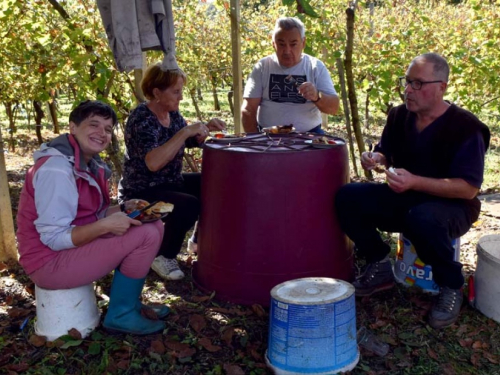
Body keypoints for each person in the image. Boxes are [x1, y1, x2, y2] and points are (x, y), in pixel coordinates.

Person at [335, 53, 490, 329]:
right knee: (347, 197)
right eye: (407, 82)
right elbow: (386, 152)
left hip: (452, 206)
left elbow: (468, 188)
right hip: (405, 196)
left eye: (418, 83)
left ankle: (451, 285)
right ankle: (378, 260)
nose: (408, 90)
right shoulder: (399, 115)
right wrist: (377, 158)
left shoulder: (466, 128)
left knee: (424, 218)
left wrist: (415, 182)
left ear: (442, 87)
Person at [16, 100, 168, 335]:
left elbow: (88, 216)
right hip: (48, 261)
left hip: (67, 249)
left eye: (108, 129)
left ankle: (129, 304)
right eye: (93, 124)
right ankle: (121, 314)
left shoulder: (88, 164)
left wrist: (122, 208)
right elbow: (54, 238)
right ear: (73, 128)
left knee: (154, 223)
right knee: (146, 233)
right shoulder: (56, 169)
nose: (102, 133)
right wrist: (104, 225)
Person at [119, 64, 225, 281]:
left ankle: (198, 242)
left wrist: (203, 130)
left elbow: (183, 142)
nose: (181, 97)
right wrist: (185, 131)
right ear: (157, 92)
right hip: (142, 194)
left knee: (214, 184)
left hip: (170, 182)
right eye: (176, 91)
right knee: (187, 204)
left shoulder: (172, 114)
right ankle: (162, 256)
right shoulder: (141, 118)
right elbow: (153, 163)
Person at [241, 17, 340, 134]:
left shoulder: (315, 67)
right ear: (273, 44)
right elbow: (248, 110)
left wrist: (317, 97)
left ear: (303, 43)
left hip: (309, 135)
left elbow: (334, 108)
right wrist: (257, 140)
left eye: (293, 44)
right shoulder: (263, 67)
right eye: (281, 44)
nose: (287, 51)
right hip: (269, 136)